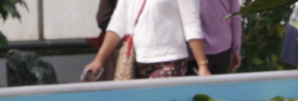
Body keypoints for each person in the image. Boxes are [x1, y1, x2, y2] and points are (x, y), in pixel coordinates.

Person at [84, 0, 212, 79]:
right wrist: (98, 61)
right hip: (137, 61)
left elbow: (191, 24)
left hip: (170, 60)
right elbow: (117, 24)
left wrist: (202, 66)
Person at [189, 0, 242, 74]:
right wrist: (236, 49)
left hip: (195, 48)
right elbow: (236, 16)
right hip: (223, 47)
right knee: (219, 84)